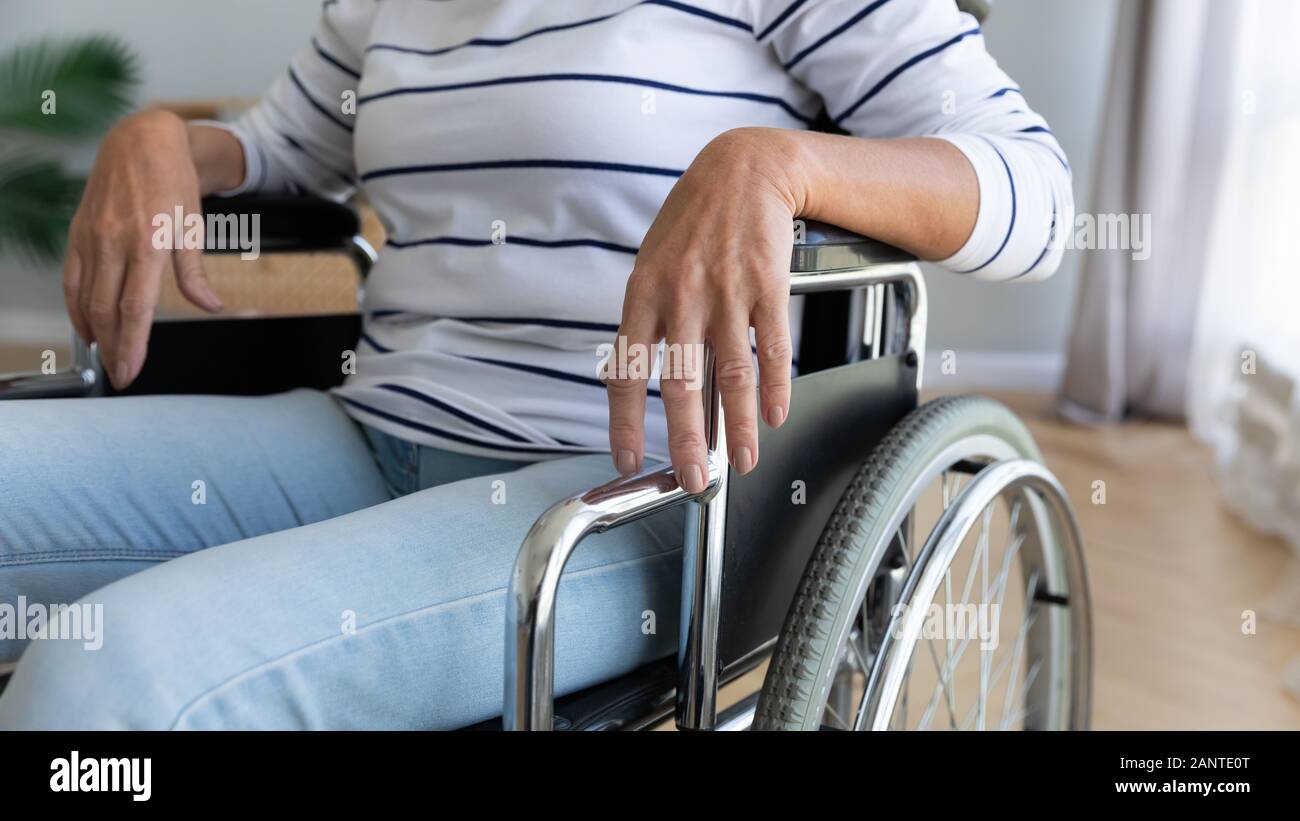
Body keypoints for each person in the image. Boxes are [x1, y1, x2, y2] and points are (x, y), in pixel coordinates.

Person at [0, 0, 1072, 729]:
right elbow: (283, 144)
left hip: (624, 486)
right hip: (369, 431)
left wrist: (774, 161)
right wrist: (165, 141)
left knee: (112, 680)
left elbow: (1038, 197)